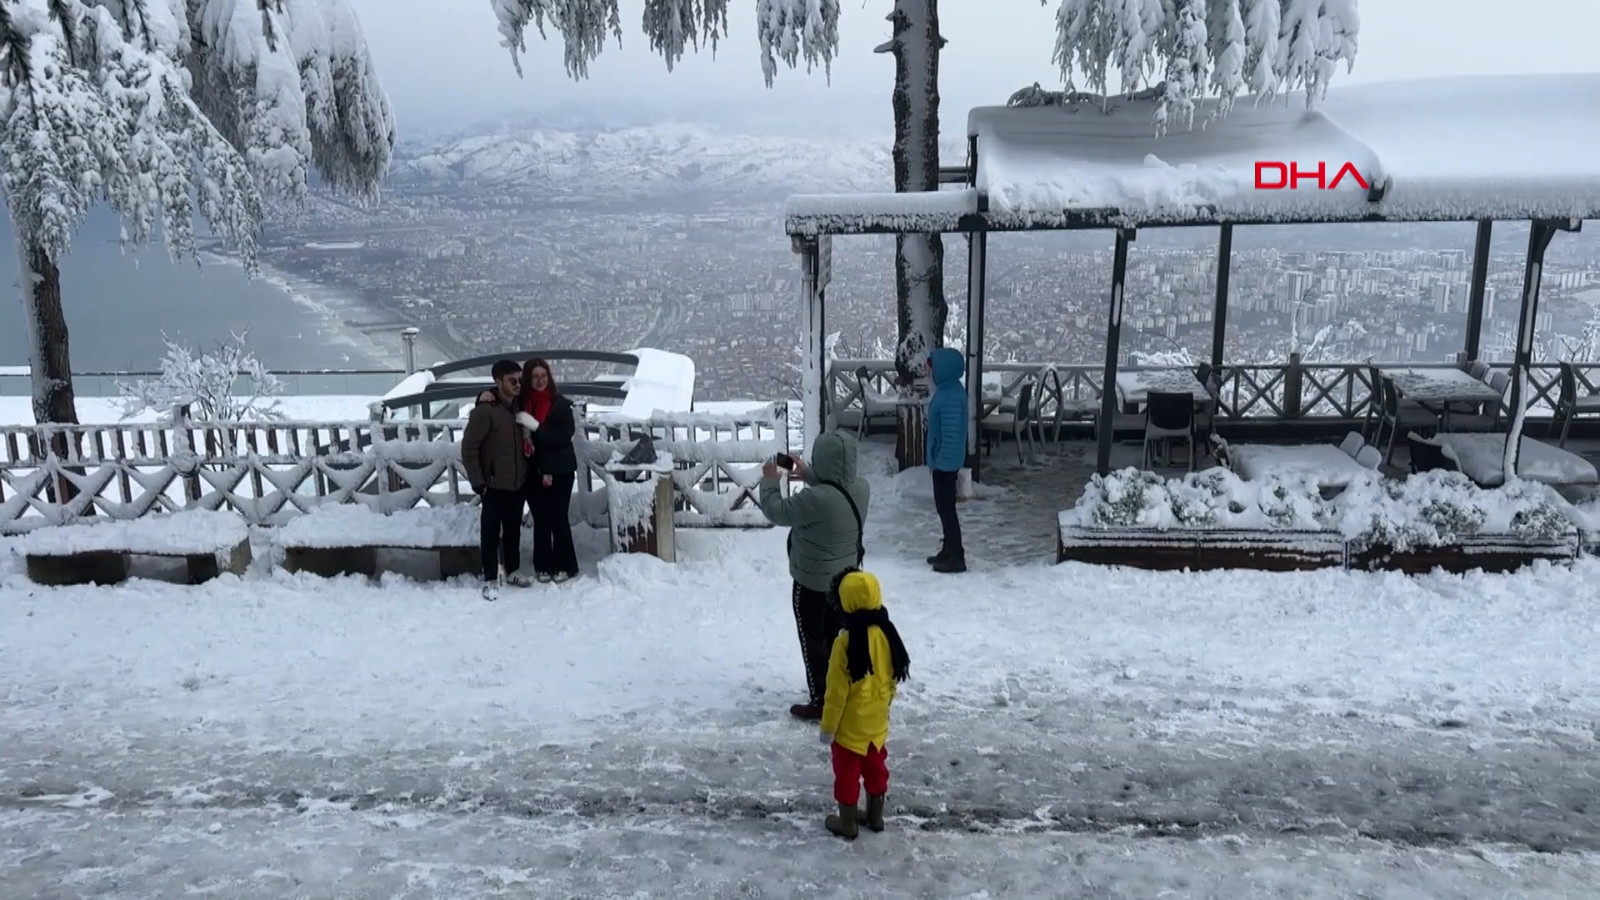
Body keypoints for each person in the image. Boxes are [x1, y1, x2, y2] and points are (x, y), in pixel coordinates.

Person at [758, 430, 870, 721]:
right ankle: (842, 688)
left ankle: (822, 700)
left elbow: (777, 511)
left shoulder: (815, 499)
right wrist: (808, 473)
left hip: (812, 583)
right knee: (836, 638)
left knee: (813, 640)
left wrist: (770, 481)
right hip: (845, 582)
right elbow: (835, 488)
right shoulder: (861, 489)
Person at [818, 567, 910, 840]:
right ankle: (875, 815)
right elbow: (892, 679)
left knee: (847, 774)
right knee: (876, 768)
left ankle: (847, 822)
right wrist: (884, 706)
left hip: (849, 730)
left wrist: (828, 728)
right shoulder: (887, 635)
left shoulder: (845, 642)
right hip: (876, 725)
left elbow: (836, 693)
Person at [461, 360, 533, 600]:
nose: (517, 385)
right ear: (498, 381)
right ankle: (490, 576)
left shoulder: (517, 407)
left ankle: (512, 570)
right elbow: (469, 447)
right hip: (493, 484)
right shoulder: (485, 412)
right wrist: (478, 481)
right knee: (490, 533)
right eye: (512, 380)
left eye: (520, 380)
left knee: (513, 530)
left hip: (516, 481)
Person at [517, 358, 580, 582]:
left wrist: (535, 427)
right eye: (535, 376)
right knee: (541, 519)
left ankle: (566, 565)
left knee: (558, 517)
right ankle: (543, 565)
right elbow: (497, 399)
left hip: (560, 470)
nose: (541, 380)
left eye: (544, 375)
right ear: (528, 379)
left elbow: (563, 436)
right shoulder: (521, 403)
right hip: (534, 470)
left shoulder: (561, 405)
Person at [924, 347, 968, 574]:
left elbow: (951, 435)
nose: (928, 372)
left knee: (947, 509)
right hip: (943, 461)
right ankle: (948, 550)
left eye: (931, 368)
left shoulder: (950, 395)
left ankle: (957, 556)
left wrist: (940, 460)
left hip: (945, 462)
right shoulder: (948, 390)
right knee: (944, 508)